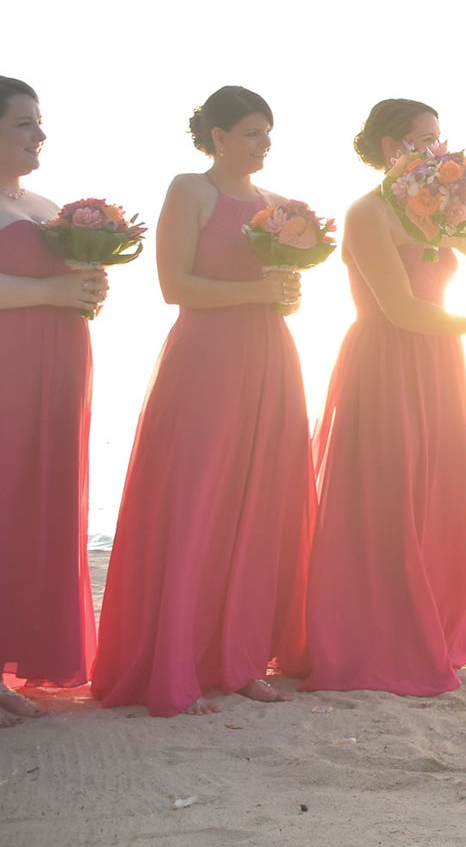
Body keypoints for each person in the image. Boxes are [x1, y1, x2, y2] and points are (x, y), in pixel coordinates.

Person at [91, 86, 314, 716]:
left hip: (270, 358)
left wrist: (285, 295)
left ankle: (240, 659)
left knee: (258, 505)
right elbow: (174, 285)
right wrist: (257, 291)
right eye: (250, 132)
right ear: (217, 137)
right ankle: (177, 661)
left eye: (268, 133)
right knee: (197, 503)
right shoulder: (191, 189)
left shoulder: (277, 206)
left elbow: (279, 295)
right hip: (206, 363)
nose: (263, 143)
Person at [300, 98, 466, 695]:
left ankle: (434, 630)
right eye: (424, 140)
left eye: (439, 139)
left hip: (440, 359)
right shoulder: (368, 212)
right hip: (386, 359)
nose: (436, 149)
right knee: (385, 494)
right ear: (392, 149)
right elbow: (398, 309)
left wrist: (452, 210)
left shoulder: (440, 207)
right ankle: (371, 639)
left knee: (436, 488)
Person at [0, 77, 104, 721]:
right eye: (23, 124)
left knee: (37, 503)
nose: (40, 135)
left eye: (39, 122)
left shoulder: (39, 202)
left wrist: (89, 285)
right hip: (8, 370)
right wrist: (51, 296)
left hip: (58, 370)